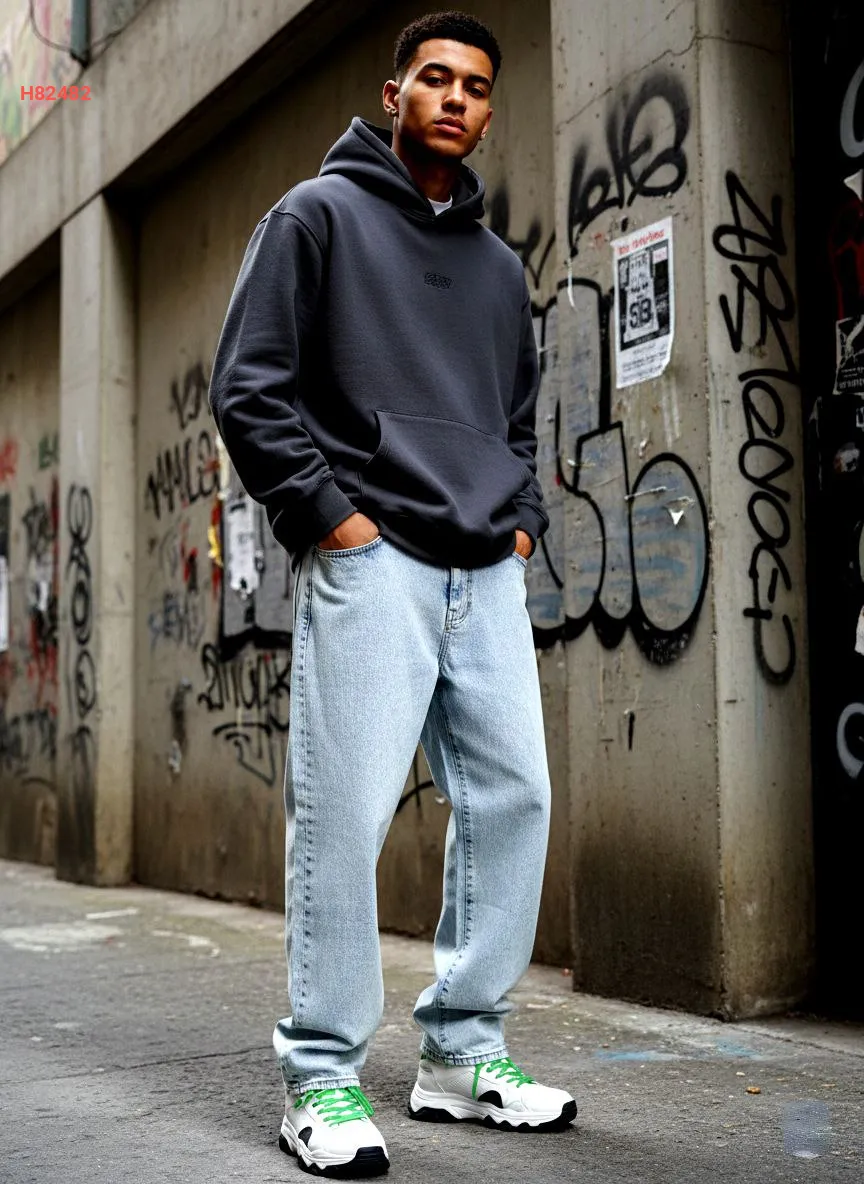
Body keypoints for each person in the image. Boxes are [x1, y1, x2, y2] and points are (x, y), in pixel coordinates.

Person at [209, 10, 576, 1177]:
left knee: (515, 798)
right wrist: (334, 519)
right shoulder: (314, 218)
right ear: (395, 92)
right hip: (374, 561)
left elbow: (516, 421)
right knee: (345, 815)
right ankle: (319, 1072)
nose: (456, 98)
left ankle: (462, 1054)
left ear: (488, 109)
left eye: (476, 85)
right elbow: (248, 386)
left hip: (485, 567)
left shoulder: (499, 269)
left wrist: (521, 521)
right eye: (435, 78)